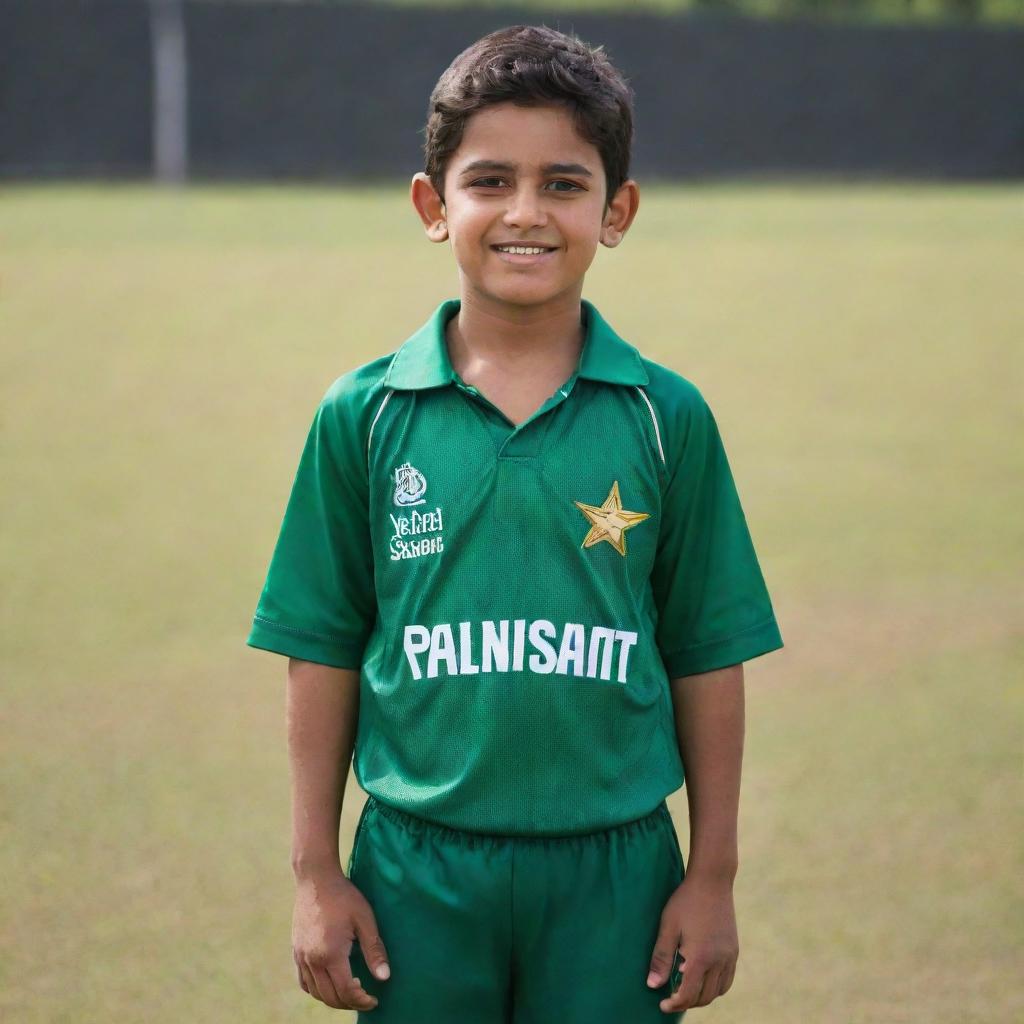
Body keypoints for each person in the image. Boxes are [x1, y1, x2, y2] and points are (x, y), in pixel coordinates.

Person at [246, 23, 783, 1023]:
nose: (525, 213)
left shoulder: (666, 419)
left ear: (616, 209)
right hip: (416, 866)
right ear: (430, 204)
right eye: (489, 181)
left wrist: (712, 874)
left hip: (617, 868)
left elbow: (707, 653)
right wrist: (316, 871)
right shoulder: (362, 417)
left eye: (564, 184)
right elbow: (317, 649)